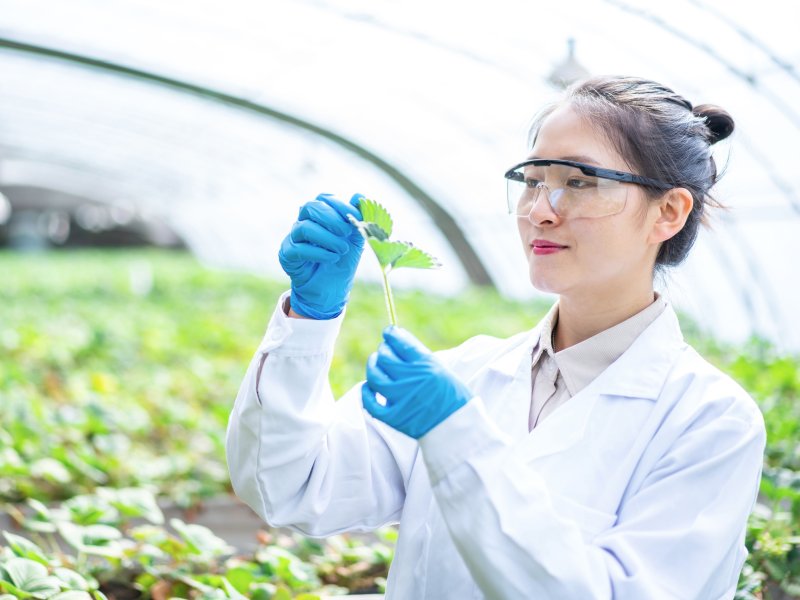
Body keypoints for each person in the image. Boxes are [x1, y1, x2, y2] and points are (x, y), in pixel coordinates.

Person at [226, 75, 766, 599]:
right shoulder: (468, 372)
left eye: (579, 182)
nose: (540, 212)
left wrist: (458, 437)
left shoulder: (709, 421)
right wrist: (309, 317)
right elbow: (291, 486)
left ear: (667, 212)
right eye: (533, 181)